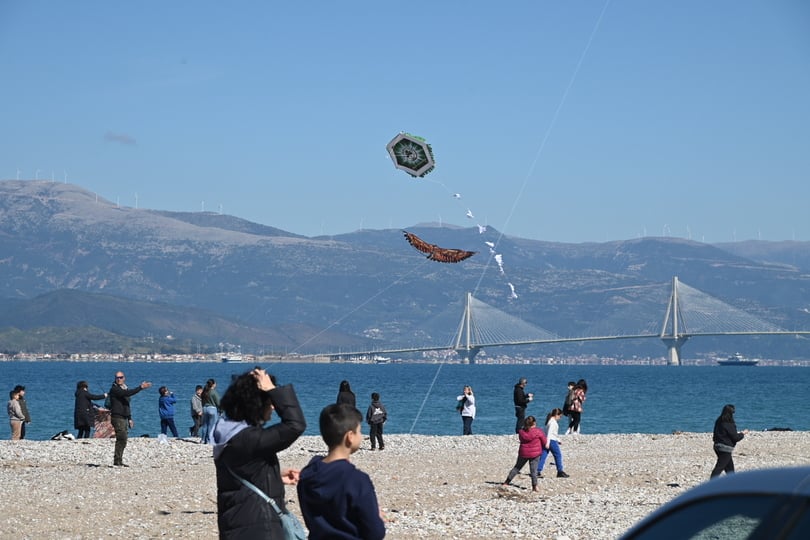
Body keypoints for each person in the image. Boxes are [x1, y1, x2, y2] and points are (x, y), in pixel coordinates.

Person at [213, 367, 306, 538]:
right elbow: (295, 425)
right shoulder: (247, 439)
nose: (272, 406)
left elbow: (241, 476)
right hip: (258, 528)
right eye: (269, 401)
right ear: (257, 403)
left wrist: (274, 477)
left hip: (237, 524)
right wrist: (272, 389)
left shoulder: (228, 434)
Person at [298, 403, 386, 540]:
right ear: (350, 436)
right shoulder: (357, 480)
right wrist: (378, 518)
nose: (361, 436)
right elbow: (375, 533)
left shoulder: (307, 474)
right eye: (359, 431)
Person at [108, 371, 152, 467]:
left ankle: (119, 460)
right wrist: (140, 387)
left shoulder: (124, 388)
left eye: (121, 377)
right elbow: (128, 393)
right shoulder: (115, 389)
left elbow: (126, 405)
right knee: (122, 438)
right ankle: (117, 460)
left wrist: (130, 418)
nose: (119, 379)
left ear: (124, 378)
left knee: (123, 439)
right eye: (117, 377)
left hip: (123, 417)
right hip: (117, 417)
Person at [502, 416, 548, 492]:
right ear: (534, 423)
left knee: (517, 467)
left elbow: (521, 439)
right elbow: (544, 442)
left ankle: (506, 482)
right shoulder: (538, 431)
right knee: (533, 470)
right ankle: (534, 486)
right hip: (535, 454)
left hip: (523, 452)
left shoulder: (521, 432)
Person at [710, 404, 748, 479]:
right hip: (725, 448)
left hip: (717, 446)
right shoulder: (729, 423)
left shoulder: (719, 420)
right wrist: (743, 433)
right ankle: (711, 485)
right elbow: (735, 438)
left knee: (729, 468)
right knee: (719, 467)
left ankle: (732, 483)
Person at [538, 408, 569, 478]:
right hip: (551, 441)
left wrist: (558, 439)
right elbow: (549, 433)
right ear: (556, 415)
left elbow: (548, 433)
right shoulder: (553, 422)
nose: (560, 418)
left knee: (543, 455)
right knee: (558, 455)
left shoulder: (549, 421)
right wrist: (548, 443)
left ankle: (537, 470)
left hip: (548, 440)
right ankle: (560, 471)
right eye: (560, 416)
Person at [200, 378, 221, 444]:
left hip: (204, 408)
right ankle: (209, 440)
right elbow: (218, 402)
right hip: (212, 409)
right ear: (213, 384)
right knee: (211, 426)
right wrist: (221, 410)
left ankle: (203, 439)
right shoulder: (213, 392)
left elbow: (202, 401)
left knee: (204, 425)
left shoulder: (204, 392)